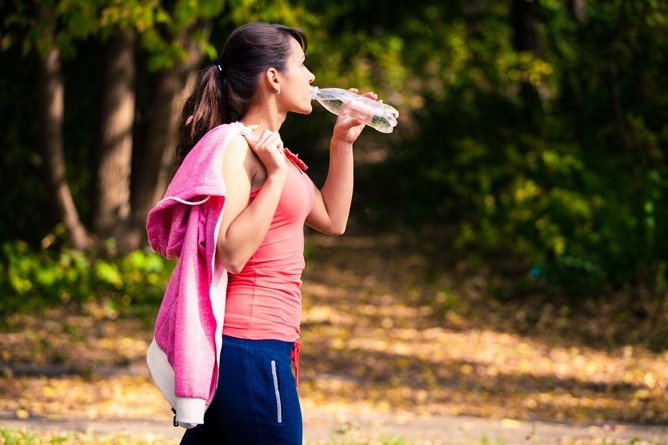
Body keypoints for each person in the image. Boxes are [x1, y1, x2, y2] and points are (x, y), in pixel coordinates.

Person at [145, 21, 377, 444]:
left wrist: (341, 144)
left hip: (267, 344)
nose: (311, 77)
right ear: (273, 78)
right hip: (248, 344)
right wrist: (271, 179)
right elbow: (231, 253)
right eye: (303, 66)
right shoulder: (238, 147)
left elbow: (332, 218)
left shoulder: (276, 154)